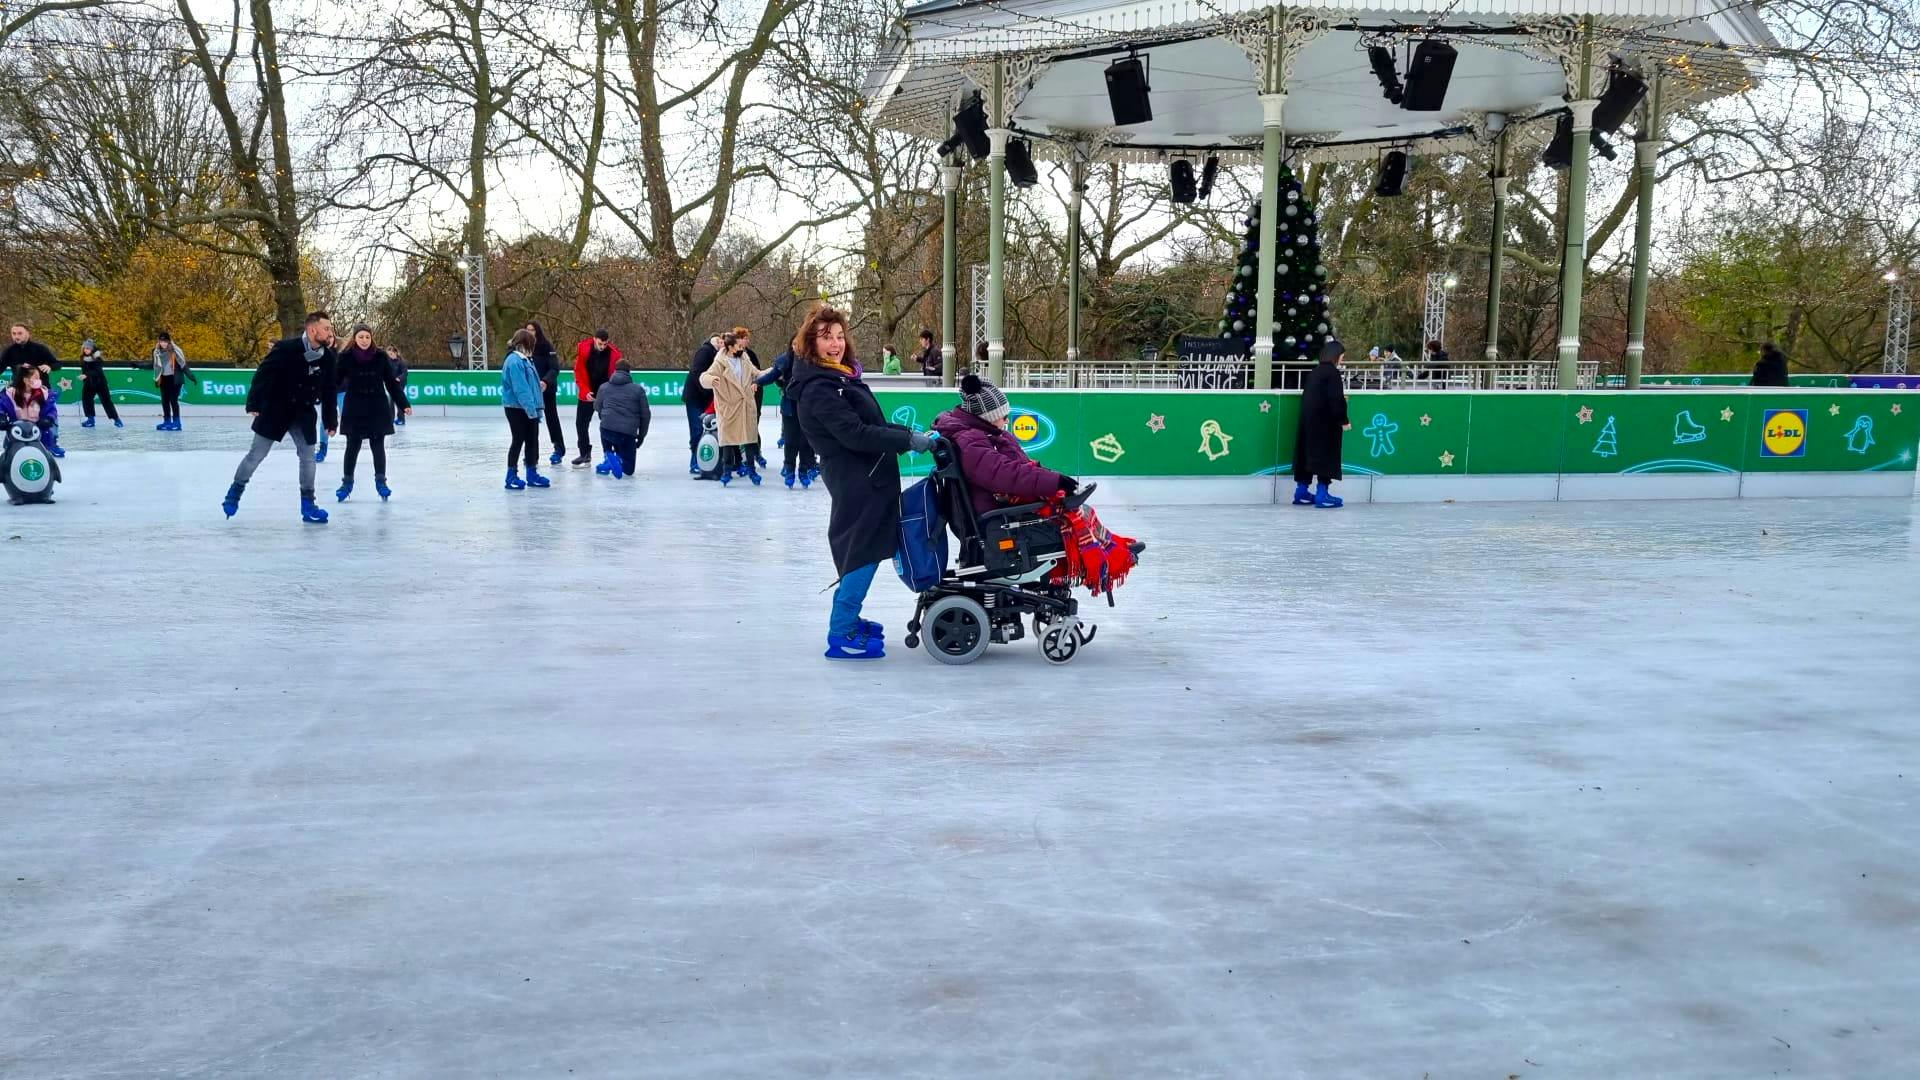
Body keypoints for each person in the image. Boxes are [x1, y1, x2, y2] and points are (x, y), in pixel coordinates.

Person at [791, 304, 932, 661]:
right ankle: (841, 629)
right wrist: (907, 441)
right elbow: (855, 434)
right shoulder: (818, 388)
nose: (835, 344)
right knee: (862, 551)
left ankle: (847, 618)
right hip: (857, 481)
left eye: (839, 336)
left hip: (869, 476)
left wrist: (910, 435)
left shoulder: (839, 378)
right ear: (811, 342)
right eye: (826, 338)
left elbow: (874, 424)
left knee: (865, 549)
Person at [222, 311, 338, 523]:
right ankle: (235, 490)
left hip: (303, 413)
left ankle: (308, 504)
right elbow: (263, 374)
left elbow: (330, 390)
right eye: (327, 328)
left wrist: (331, 420)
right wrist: (254, 403)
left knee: (308, 457)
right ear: (313, 330)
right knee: (256, 454)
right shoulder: (286, 348)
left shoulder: (328, 357)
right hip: (276, 409)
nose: (330, 332)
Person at [332, 325, 411, 502]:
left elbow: (391, 383)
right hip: (355, 407)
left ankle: (381, 481)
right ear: (355, 338)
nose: (364, 340)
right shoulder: (346, 357)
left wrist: (403, 403)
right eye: (361, 337)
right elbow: (334, 381)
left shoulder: (381, 357)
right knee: (352, 446)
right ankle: (347, 482)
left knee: (378, 445)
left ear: (371, 338)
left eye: (367, 337)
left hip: (377, 407)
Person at [699, 331, 767, 486]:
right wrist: (712, 379)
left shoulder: (744, 358)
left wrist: (772, 371)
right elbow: (703, 377)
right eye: (738, 344)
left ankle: (751, 470)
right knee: (728, 441)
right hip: (729, 408)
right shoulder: (720, 362)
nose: (741, 346)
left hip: (745, 406)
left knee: (750, 440)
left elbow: (756, 373)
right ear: (730, 347)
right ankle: (727, 470)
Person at [1293, 338, 1351, 508]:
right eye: (1342, 356)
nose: (1342, 360)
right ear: (1335, 356)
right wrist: (1344, 420)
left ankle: (1301, 491)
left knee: (1307, 454)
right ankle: (1322, 494)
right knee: (1326, 455)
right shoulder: (1332, 374)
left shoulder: (1314, 372)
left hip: (1308, 422)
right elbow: (1336, 400)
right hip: (1326, 424)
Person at [755, 342, 818, 488]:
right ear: (791, 345)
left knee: (805, 441)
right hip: (789, 407)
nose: (798, 346)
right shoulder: (785, 360)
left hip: (807, 407)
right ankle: (789, 469)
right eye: (795, 343)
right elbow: (772, 376)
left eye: (800, 343)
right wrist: (757, 382)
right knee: (790, 440)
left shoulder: (812, 360)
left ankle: (803, 469)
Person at [499, 328, 550, 490]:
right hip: (517, 408)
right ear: (523, 344)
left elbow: (532, 385)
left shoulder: (526, 360)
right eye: (531, 345)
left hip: (529, 407)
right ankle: (511, 475)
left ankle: (532, 472)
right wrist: (531, 411)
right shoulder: (514, 361)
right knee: (518, 440)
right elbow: (521, 389)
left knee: (532, 441)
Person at [572, 328, 623, 467]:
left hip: (605, 395)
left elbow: (615, 375)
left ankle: (610, 454)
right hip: (588, 394)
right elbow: (579, 373)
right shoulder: (583, 350)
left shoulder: (614, 354)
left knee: (608, 425)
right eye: (600, 343)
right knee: (581, 423)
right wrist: (585, 390)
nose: (602, 347)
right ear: (594, 339)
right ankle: (584, 453)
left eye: (605, 344)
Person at [593, 359, 650, 479]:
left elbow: (597, 407)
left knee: (606, 430)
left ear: (615, 370)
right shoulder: (638, 390)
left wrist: (604, 417)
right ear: (629, 372)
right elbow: (645, 415)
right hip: (627, 434)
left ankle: (609, 455)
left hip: (607, 429)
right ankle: (616, 458)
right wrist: (641, 436)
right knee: (629, 471)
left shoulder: (604, 387)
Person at [525, 321, 566, 465]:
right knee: (531, 421)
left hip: (546, 389)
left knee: (552, 418)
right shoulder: (523, 349)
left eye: (533, 330)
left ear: (538, 331)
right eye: (528, 330)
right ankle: (531, 454)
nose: (530, 332)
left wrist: (545, 382)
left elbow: (554, 368)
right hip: (531, 391)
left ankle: (559, 449)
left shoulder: (547, 346)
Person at [681, 334, 720, 475]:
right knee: (697, 429)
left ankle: (706, 460)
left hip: (707, 399)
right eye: (718, 340)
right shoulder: (705, 351)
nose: (721, 343)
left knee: (707, 430)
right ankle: (695, 462)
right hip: (695, 398)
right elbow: (698, 373)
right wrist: (707, 392)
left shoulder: (720, 356)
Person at [734, 326, 767, 467]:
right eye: (744, 337)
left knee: (753, 424)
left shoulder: (751, 355)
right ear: (737, 339)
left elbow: (757, 372)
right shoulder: (729, 354)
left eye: (747, 338)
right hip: (738, 396)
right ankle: (739, 456)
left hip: (754, 394)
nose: (747, 340)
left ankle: (756, 452)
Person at [77, 339, 122, 428]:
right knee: (86, 400)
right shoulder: (83, 358)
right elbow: (85, 370)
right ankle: (90, 419)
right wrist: (84, 377)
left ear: (92, 349)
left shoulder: (97, 358)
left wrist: (86, 375)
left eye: (88, 348)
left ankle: (116, 419)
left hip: (100, 383)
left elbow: (97, 371)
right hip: (89, 383)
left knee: (106, 401)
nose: (86, 350)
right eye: (85, 348)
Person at [151, 332, 190, 431]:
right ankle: (167, 421)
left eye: (165, 341)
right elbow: (154, 365)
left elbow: (183, 364)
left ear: (169, 341)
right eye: (161, 341)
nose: (163, 343)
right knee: (165, 401)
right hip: (164, 379)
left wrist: (190, 376)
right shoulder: (156, 352)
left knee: (173, 400)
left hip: (174, 379)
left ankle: (177, 422)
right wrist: (138, 365)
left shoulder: (175, 351)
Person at [390, 347, 410, 425]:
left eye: (391, 354)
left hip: (400, 384)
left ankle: (401, 419)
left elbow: (405, 373)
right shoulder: (389, 361)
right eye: (389, 354)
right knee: (391, 402)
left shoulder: (401, 362)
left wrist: (399, 378)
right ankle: (391, 419)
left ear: (395, 353)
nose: (390, 356)